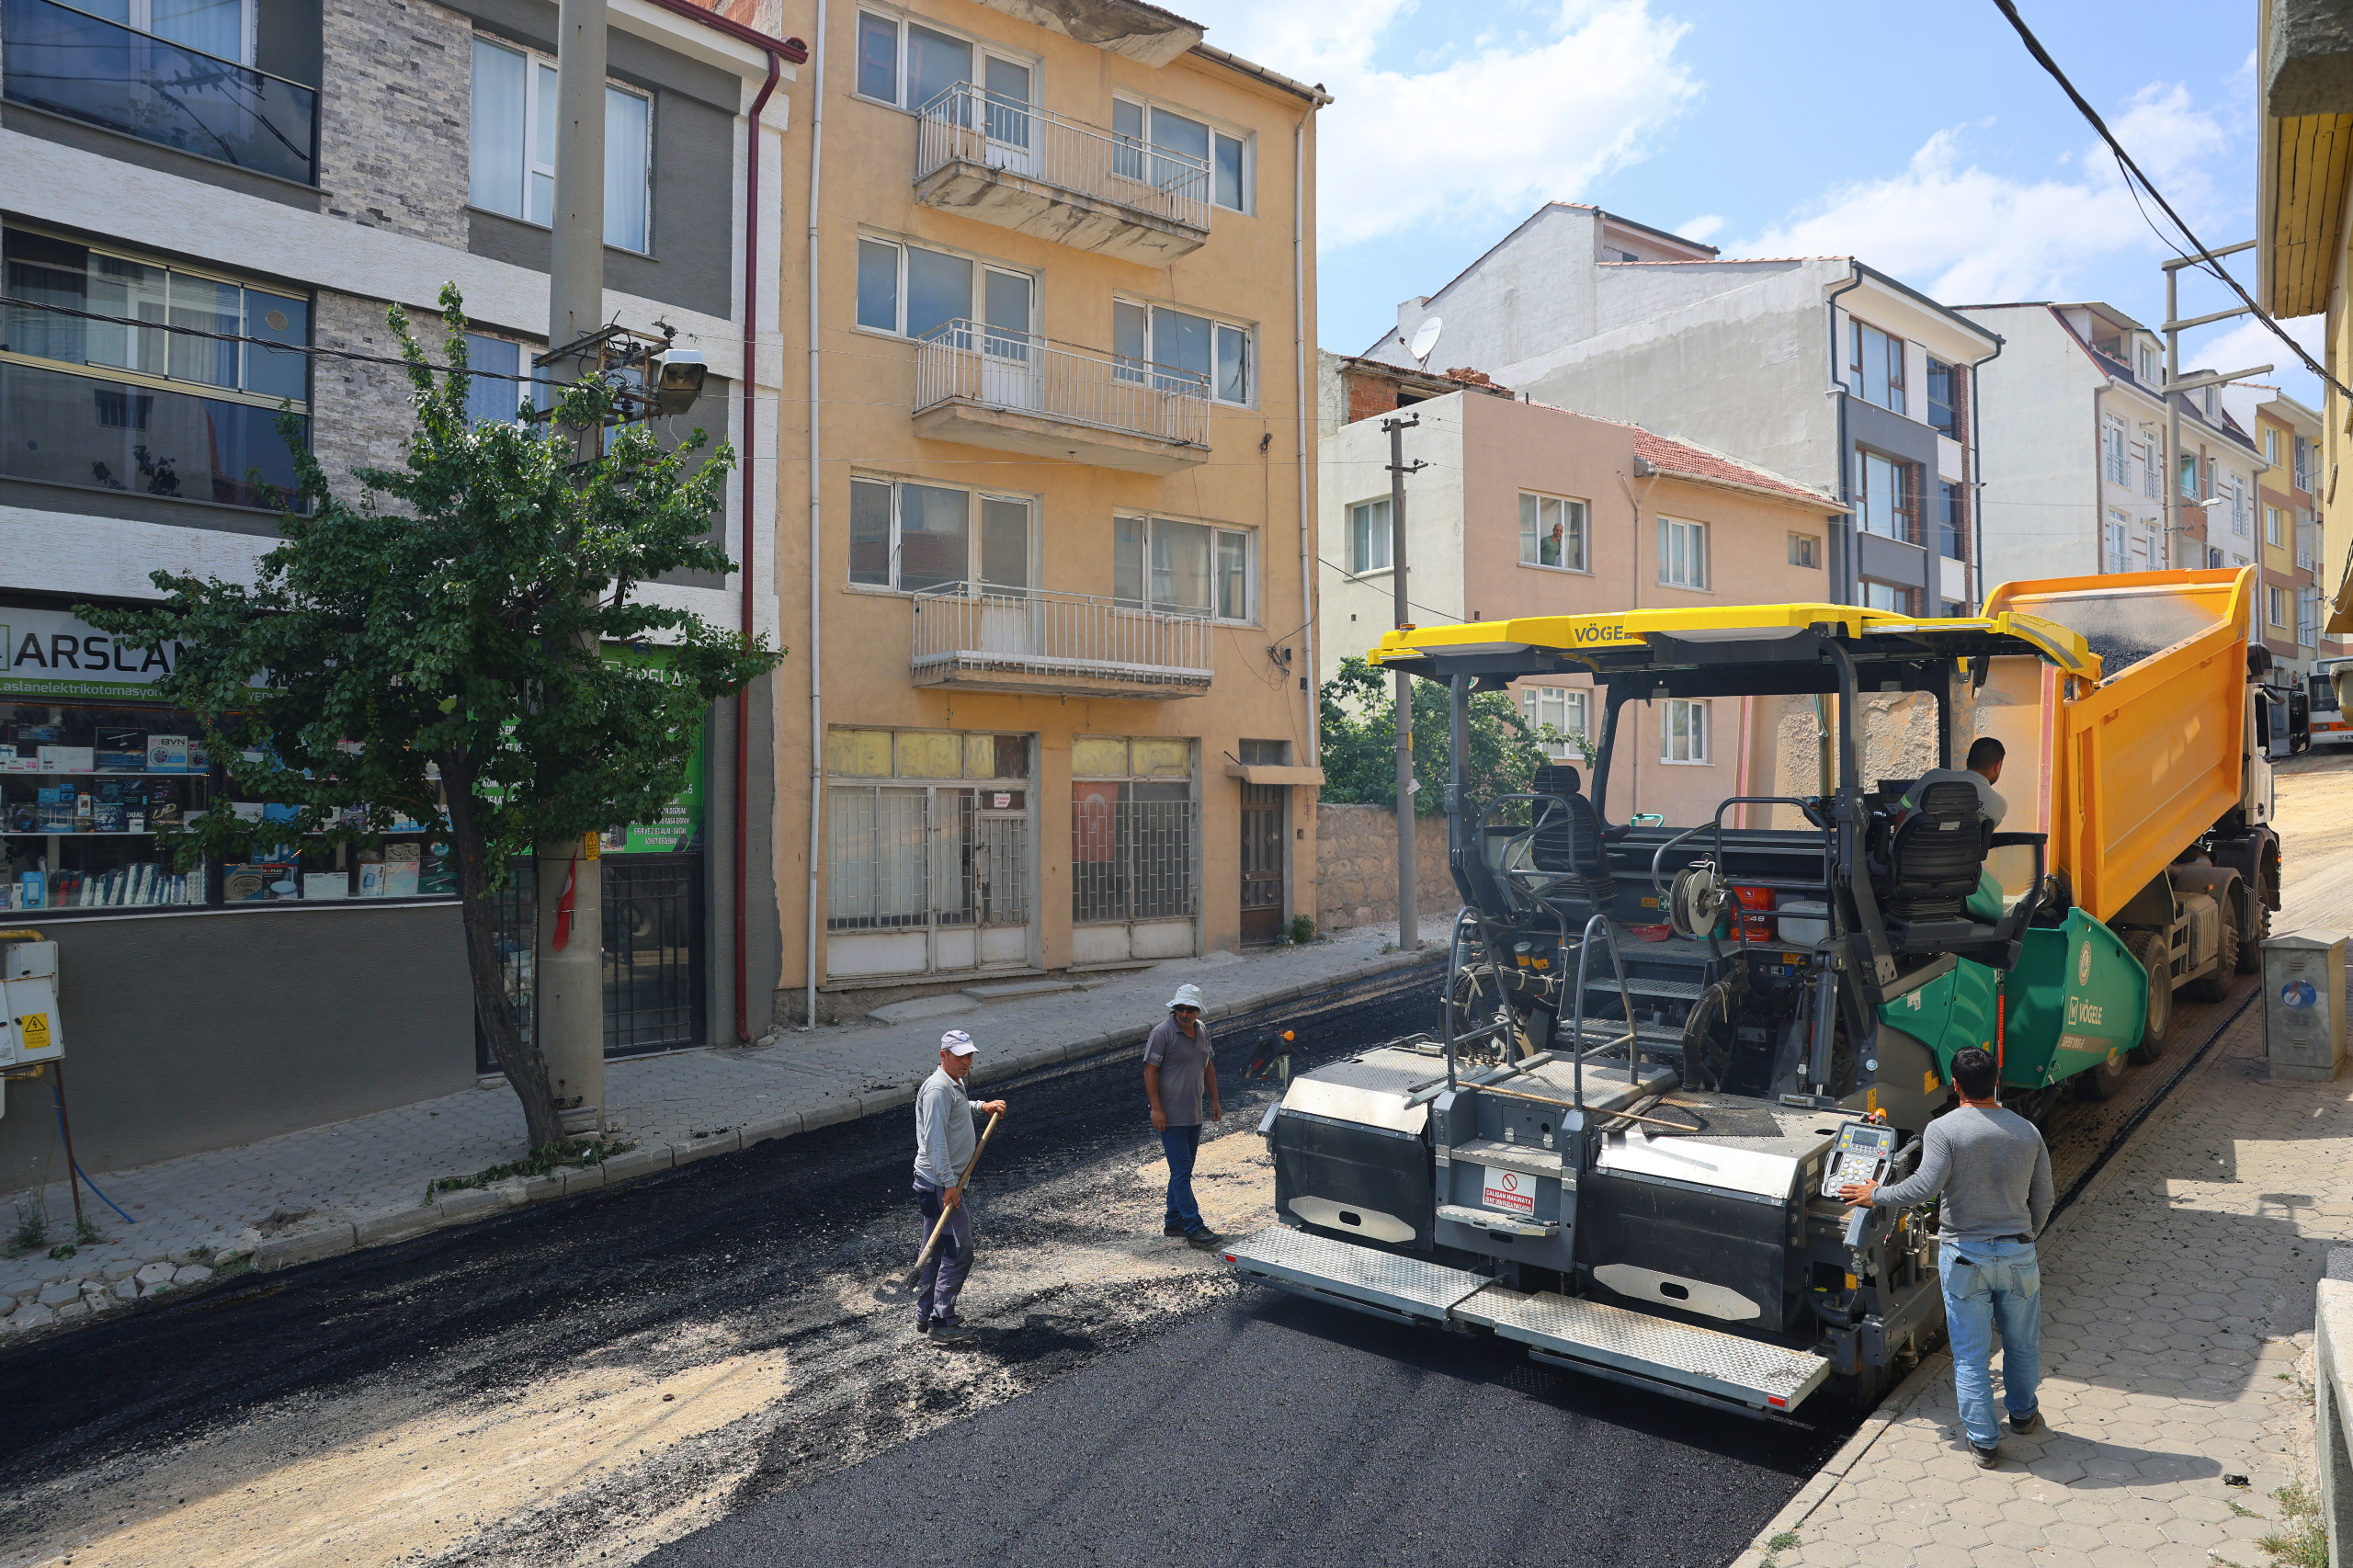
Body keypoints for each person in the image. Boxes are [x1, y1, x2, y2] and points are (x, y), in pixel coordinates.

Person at [1841, 1046, 2052, 1468]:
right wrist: (2026, 1237)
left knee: (1972, 1356)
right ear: (1997, 1081)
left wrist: (1874, 1194)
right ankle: (2024, 1416)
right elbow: (2043, 1198)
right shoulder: (2028, 1131)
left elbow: (1923, 1188)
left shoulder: (1944, 1129)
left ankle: (1984, 1443)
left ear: (1955, 1085)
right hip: (2018, 1255)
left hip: (1964, 1258)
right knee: (2022, 1345)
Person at [912, 1029, 1006, 1348]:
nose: (966, 1061)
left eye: (969, 1056)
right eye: (960, 1056)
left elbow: (958, 1109)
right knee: (959, 1250)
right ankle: (942, 1321)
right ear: (943, 1055)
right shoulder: (938, 1090)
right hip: (941, 1183)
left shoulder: (952, 1084)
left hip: (936, 1182)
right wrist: (950, 1185)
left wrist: (982, 1106)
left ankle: (927, 1315)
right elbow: (935, 1142)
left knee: (936, 1249)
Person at [1143, 982, 1222, 1248]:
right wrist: (1156, 1108)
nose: (1185, 1014)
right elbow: (1149, 1072)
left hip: (1194, 1113)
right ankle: (1194, 1227)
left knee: (1182, 1170)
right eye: (1180, 1009)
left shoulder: (1201, 1031)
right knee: (1181, 1172)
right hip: (1171, 1116)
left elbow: (1208, 1066)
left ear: (1199, 1011)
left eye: (1190, 1010)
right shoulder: (1162, 1033)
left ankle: (1174, 1220)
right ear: (1174, 1008)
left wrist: (1214, 1100)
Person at [1896, 736, 2008, 921]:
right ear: (1998, 766)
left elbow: (1901, 812)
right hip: (1956, 876)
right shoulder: (1998, 805)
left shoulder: (1934, 776)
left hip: (1906, 867)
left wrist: (1901, 848)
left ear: (1967, 761)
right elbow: (1976, 846)